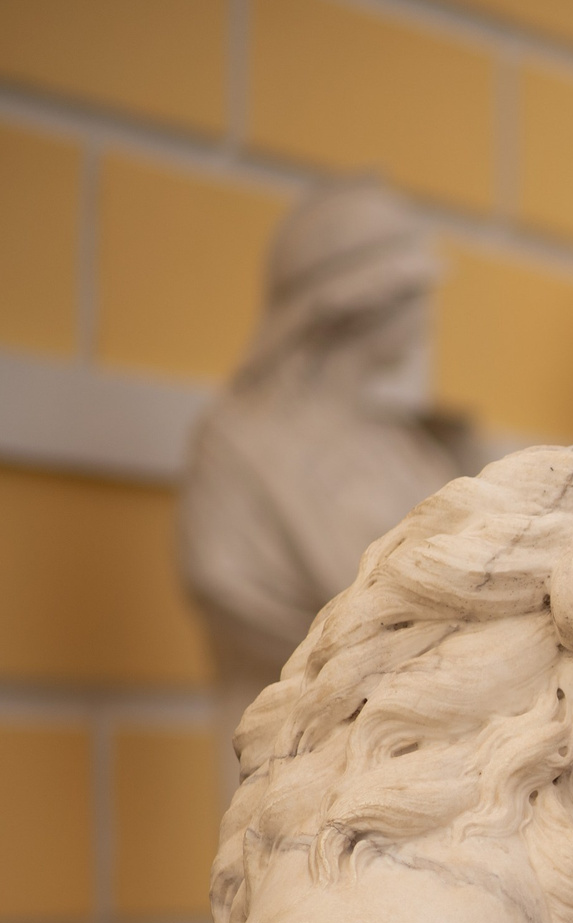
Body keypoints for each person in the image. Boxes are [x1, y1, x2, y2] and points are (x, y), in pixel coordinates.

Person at [177, 178, 475, 803]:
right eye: (415, 292)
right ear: (361, 302)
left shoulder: (406, 448)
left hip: (425, 775)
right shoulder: (238, 444)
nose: (430, 311)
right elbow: (229, 589)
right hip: (293, 770)